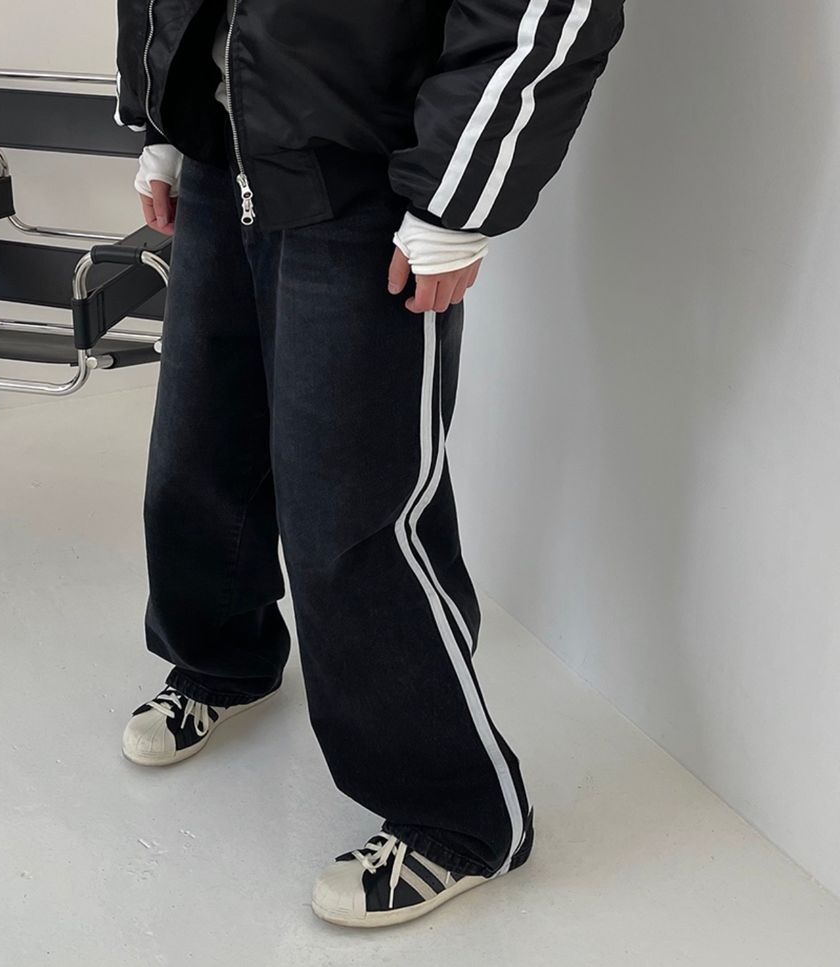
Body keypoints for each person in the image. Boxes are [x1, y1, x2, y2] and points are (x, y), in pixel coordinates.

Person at [114, 0, 625, 928]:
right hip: (223, 144)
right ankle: (223, 659)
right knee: (202, 439)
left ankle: (460, 815)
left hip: (364, 168)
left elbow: (548, 11)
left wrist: (455, 198)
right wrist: (163, 112)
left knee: (351, 505)